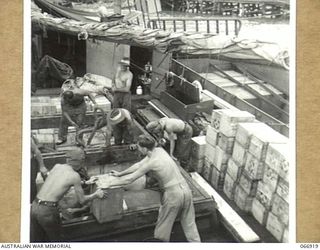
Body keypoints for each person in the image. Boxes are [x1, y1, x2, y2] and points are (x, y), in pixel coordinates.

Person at [103, 135, 201, 242]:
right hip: (186, 190)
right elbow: (138, 165)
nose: (138, 149)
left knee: (162, 229)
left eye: (139, 147)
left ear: (144, 149)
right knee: (189, 224)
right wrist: (120, 173)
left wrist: (109, 184)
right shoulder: (159, 151)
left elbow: (130, 179)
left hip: (173, 194)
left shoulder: (152, 162)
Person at [30, 147, 107, 242]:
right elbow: (82, 200)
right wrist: (96, 194)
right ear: (81, 161)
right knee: (57, 241)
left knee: (38, 240)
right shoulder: (75, 176)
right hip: (48, 212)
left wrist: (85, 182)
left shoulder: (57, 166)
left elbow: (58, 182)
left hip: (34, 206)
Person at [56, 79, 97, 145]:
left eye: (69, 99)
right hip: (70, 107)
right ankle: (62, 138)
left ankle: (79, 139)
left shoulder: (79, 92)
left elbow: (89, 93)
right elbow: (64, 112)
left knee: (80, 122)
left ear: (73, 96)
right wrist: (71, 122)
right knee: (63, 121)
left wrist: (95, 103)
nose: (67, 100)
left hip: (80, 105)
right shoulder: (63, 99)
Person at [31, 135, 49, 203]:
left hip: (31, 163)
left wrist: (42, 166)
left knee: (31, 185)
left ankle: (32, 203)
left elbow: (36, 151)